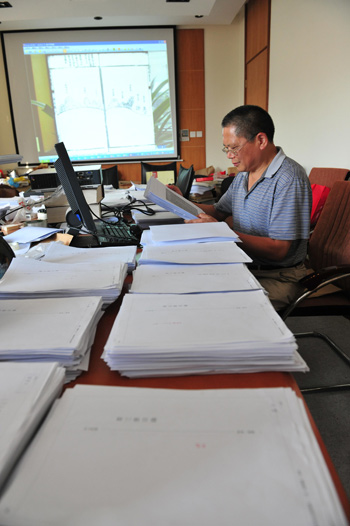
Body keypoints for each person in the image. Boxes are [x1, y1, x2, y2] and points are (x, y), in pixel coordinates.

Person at [171, 105, 312, 311]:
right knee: (190, 286)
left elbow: (279, 250)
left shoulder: (289, 179)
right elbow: (219, 211)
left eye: (234, 147)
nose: (229, 155)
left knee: (215, 308)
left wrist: (223, 232)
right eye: (226, 148)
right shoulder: (244, 174)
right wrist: (179, 201)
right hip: (243, 265)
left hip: (279, 276)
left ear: (261, 140)